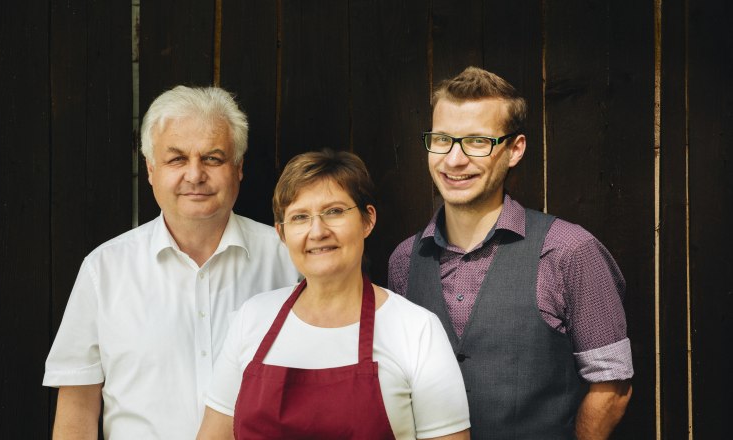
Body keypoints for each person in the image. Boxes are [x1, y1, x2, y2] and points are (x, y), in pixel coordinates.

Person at [388, 66, 633, 440]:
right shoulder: (404, 261)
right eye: (442, 139)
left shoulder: (569, 250)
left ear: (515, 149)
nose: (453, 160)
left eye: (477, 141)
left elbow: (612, 388)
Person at [43, 85, 299, 439]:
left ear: (239, 168)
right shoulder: (105, 269)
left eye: (213, 158)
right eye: (177, 159)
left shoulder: (289, 259)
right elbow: (78, 407)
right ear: (150, 169)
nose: (195, 175)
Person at [196, 150, 470, 440]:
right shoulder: (252, 318)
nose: (317, 231)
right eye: (300, 217)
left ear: (367, 220)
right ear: (282, 234)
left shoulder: (417, 330)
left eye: (334, 211)